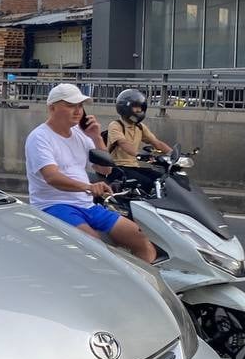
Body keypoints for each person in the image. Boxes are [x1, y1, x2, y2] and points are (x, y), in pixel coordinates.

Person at [25, 83, 156, 262]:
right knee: (95, 248)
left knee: (141, 239)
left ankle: (143, 278)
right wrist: (88, 187)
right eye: (70, 105)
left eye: (80, 106)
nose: (78, 111)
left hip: (87, 205)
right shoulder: (39, 137)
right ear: (52, 108)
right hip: (54, 205)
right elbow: (52, 177)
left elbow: (105, 169)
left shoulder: (81, 134)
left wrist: (96, 136)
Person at [106, 89, 172, 167]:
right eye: (135, 107)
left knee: (157, 174)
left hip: (134, 166)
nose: (139, 110)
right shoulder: (115, 125)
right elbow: (123, 143)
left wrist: (172, 154)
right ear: (124, 108)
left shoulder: (140, 127)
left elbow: (156, 143)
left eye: (140, 107)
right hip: (117, 166)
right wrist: (139, 154)